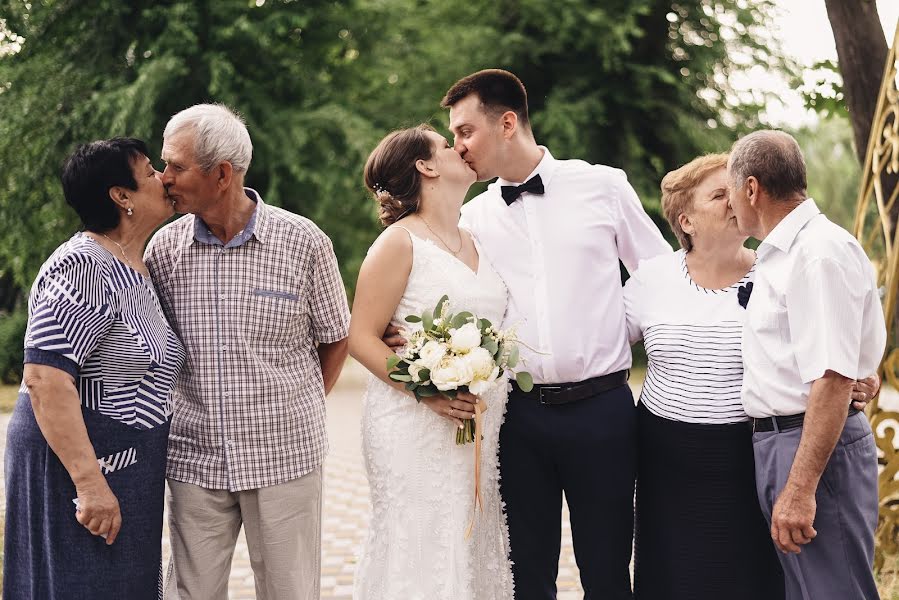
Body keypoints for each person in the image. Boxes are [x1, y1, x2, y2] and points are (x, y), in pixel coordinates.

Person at [443, 69, 671, 599]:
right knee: (527, 576)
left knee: (609, 572)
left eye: (464, 132)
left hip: (603, 412)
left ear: (506, 123)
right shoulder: (471, 218)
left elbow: (659, 275)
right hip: (518, 420)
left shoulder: (604, 186)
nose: (458, 147)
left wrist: (618, 327)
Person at [144, 104, 350, 600]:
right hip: (195, 460)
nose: (163, 177)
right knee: (188, 594)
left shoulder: (304, 243)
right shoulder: (162, 251)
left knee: (290, 592)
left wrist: (295, 404)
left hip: (285, 457)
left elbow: (336, 336)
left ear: (221, 174)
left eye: (176, 165)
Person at [4, 138, 185, 599]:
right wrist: (89, 484)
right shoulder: (82, 265)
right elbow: (44, 377)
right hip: (78, 469)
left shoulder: (136, 266)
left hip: (128, 468)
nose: (163, 177)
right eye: (148, 172)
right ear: (120, 196)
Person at [350, 125, 514, 599]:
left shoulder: (477, 238)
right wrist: (428, 390)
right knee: (420, 546)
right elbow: (361, 336)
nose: (458, 148)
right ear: (425, 166)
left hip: (480, 424)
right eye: (446, 145)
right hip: (413, 423)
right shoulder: (398, 242)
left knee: (468, 539)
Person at [727, 130, 886, 600]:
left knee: (835, 591)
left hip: (813, 446)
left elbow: (834, 378)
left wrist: (799, 488)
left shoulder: (817, 254)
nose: (732, 203)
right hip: (787, 442)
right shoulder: (785, 253)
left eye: (731, 190)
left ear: (752, 188)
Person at [623, 153, 780, 598]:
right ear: (686, 220)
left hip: (746, 452)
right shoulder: (651, 279)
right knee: (674, 573)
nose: (735, 201)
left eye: (737, 191)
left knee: (745, 574)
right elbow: (598, 351)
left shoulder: (776, 273)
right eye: (719, 194)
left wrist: (858, 381)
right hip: (663, 455)